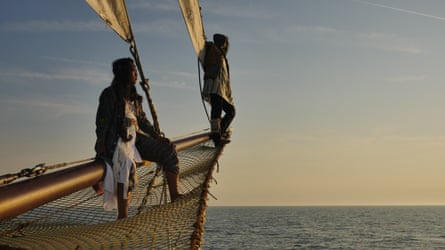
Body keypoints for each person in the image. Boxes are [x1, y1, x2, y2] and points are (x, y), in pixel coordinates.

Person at [94, 58, 181, 219]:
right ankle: (123, 216)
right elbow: (102, 121)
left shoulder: (135, 98)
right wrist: (100, 143)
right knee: (125, 166)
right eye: (133, 70)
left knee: (169, 151)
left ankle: (175, 195)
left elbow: (143, 121)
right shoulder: (109, 94)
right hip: (117, 141)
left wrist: (157, 137)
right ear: (125, 73)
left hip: (137, 140)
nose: (136, 74)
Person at [202, 33, 235, 145]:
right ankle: (216, 137)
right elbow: (206, 47)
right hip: (213, 85)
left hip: (220, 89)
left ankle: (219, 133)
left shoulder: (222, 54)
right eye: (225, 42)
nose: (226, 44)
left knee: (231, 111)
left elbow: (227, 48)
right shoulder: (212, 49)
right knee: (217, 110)